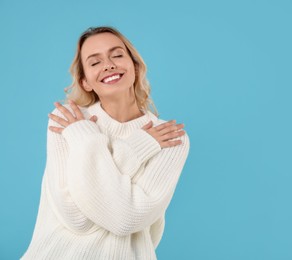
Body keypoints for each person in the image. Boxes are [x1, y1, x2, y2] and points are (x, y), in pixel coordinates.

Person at [21, 26, 190, 259]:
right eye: (94, 62)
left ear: (136, 67)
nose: (108, 65)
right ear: (85, 82)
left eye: (117, 55)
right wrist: (136, 146)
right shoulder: (69, 121)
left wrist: (87, 146)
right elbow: (75, 217)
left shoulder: (170, 136)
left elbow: (126, 219)